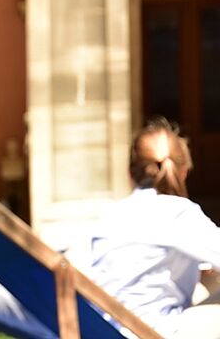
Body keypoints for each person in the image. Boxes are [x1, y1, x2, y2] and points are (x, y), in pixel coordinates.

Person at [89, 118, 220, 338]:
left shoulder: (110, 215)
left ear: (130, 174)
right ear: (184, 171)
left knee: (205, 283)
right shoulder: (178, 212)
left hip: (107, 330)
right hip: (150, 332)